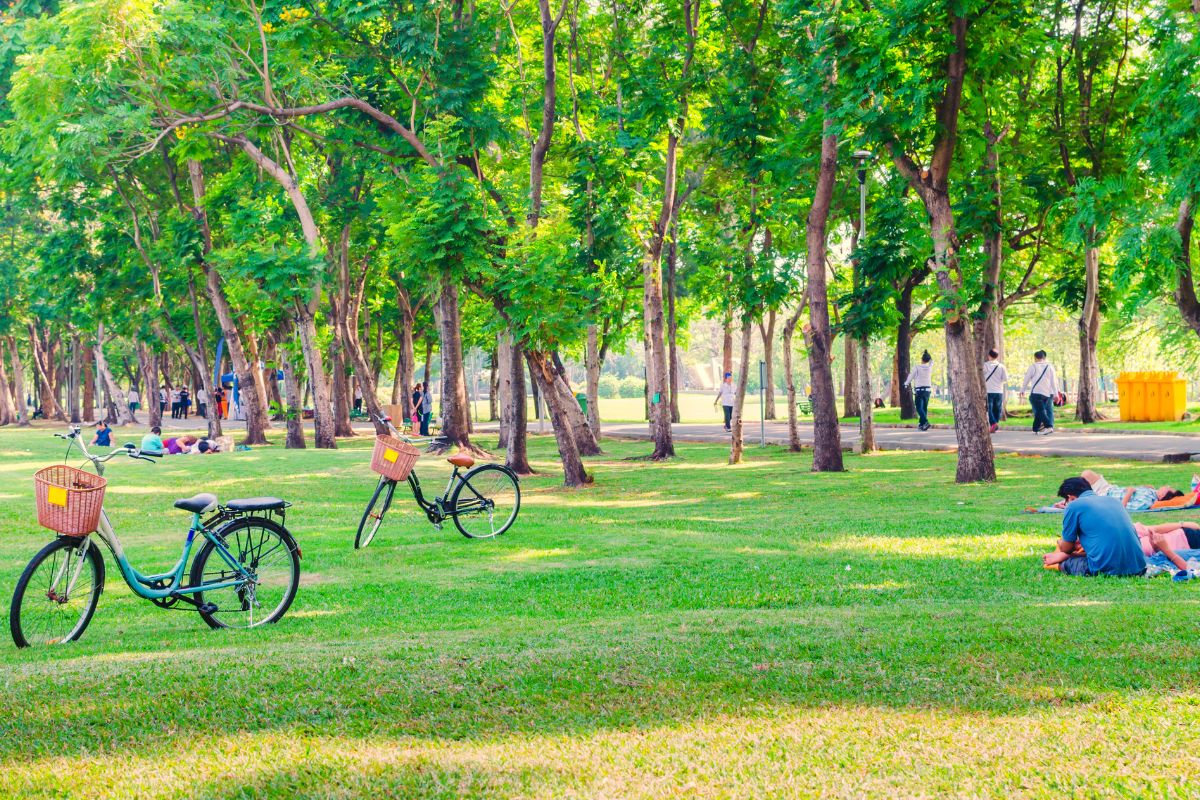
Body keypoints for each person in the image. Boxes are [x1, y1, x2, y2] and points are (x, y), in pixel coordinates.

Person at [1042, 476, 1147, 576]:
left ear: (1071, 497)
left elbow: (1066, 548)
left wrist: (1063, 547)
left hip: (1106, 569)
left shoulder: (1074, 505)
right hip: (1138, 567)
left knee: (1065, 563)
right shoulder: (1115, 501)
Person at [1021, 350, 1059, 436]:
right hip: (1046, 394)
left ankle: (1048, 426)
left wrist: (1022, 390)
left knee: (1040, 411)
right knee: (1039, 411)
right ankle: (1035, 429)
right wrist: (1056, 394)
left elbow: (1026, 379)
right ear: (1043, 357)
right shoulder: (1050, 367)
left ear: (1035, 358)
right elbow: (1054, 381)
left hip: (1036, 393)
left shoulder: (1033, 366)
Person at [904, 350, 934, 431]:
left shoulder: (917, 367)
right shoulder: (929, 367)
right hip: (928, 390)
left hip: (919, 390)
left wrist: (906, 384)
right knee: (924, 408)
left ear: (922, 359)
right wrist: (928, 355)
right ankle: (922, 425)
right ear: (927, 360)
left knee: (918, 407)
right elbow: (932, 361)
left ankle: (926, 422)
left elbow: (911, 376)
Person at [982, 349, 1007, 434]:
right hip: (999, 391)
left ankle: (993, 423)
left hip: (989, 391)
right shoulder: (1001, 366)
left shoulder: (985, 365)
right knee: (997, 409)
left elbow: (981, 376)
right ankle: (995, 423)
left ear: (989, 356)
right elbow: (1005, 379)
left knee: (989, 409)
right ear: (997, 356)